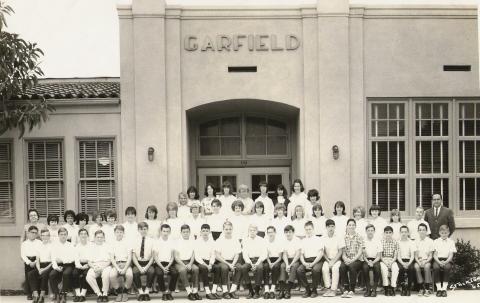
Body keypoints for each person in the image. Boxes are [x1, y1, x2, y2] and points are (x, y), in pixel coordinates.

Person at [214, 221, 242, 299]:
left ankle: (232, 291)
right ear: (223, 230)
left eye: (230, 229)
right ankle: (225, 291)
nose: (228, 231)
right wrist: (229, 264)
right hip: (222, 261)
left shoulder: (235, 240)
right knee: (224, 268)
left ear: (232, 229)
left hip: (232, 261)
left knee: (239, 267)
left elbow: (237, 254)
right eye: (226, 229)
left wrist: (232, 263)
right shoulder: (219, 240)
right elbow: (217, 256)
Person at [297, 221, 324, 298]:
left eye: (310, 229)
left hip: (317, 260)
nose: (308, 231)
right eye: (306, 229)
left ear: (313, 229)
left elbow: (321, 253)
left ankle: (314, 290)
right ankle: (307, 289)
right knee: (299, 270)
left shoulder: (318, 239)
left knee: (315, 270)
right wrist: (304, 263)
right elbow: (301, 254)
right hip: (306, 261)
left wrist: (313, 263)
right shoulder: (303, 241)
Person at [240, 224, 267, 299]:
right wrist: (250, 263)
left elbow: (264, 253)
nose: (252, 232)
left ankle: (257, 291)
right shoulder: (245, 240)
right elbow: (244, 254)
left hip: (259, 259)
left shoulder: (261, 240)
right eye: (250, 230)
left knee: (260, 268)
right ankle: (250, 291)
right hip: (249, 260)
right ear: (248, 231)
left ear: (257, 231)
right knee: (243, 268)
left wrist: (257, 263)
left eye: (254, 230)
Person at [174, 224, 200, 301]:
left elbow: (193, 255)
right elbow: (176, 257)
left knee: (196, 269)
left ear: (190, 232)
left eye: (187, 232)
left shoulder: (193, 241)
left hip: (189, 262)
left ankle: (195, 291)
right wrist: (184, 265)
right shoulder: (177, 242)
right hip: (179, 263)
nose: (186, 233)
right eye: (184, 232)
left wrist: (190, 264)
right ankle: (189, 292)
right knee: (182, 270)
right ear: (181, 232)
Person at [340, 219, 364, 298]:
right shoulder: (343, 237)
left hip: (357, 260)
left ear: (355, 226)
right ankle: (346, 288)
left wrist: (352, 260)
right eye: (349, 225)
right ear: (347, 226)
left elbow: (360, 252)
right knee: (342, 266)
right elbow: (343, 252)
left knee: (352, 266)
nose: (351, 226)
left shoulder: (359, 236)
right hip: (347, 259)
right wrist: (345, 259)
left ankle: (352, 289)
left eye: (353, 225)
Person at [49, 227, 75, 303]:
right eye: (61, 234)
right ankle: (57, 294)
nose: (63, 236)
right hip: (58, 265)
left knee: (66, 274)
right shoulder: (54, 245)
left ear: (67, 235)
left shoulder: (71, 245)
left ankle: (64, 294)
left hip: (69, 265)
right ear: (58, 235)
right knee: (52, 275)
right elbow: (53, 259)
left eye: (65, 234)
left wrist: (63, 260)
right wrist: (56, 267)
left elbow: (72, 258)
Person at [85, 230, 112, 302]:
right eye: (98, 237)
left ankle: (105, 294)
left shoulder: (108, 246)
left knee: (106, 274)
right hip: (95, 266)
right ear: (94, 238)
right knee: (89, 276)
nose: (99, 239)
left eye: (101, 237)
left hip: (106, 265)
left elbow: (110, 260)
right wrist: (94, 267)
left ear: (104, 238)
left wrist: (103, 267)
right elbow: (89, 261)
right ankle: (99, 294)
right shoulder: (91, 247)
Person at [153, 224, 178, 301]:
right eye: (164, 231)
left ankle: (170, 292)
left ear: (169, 232)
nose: (165, 233)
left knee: (175, 273)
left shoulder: (172, 242)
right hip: (159, 263)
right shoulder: (156, 242)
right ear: (161, 231)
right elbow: (155, 257)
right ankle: (164, 293)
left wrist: (168, 266)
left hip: (169, 263)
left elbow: (173, 256)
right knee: (160, 274)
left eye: (167, 231)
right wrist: (162, 267)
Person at [109, 225, 133, 302]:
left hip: (126, 263)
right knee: (112, 275)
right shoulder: (112, 243)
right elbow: (112, 258)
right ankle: (119, 292)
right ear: (114, 233)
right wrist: (118, 268)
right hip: (116, 264)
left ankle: (125, 292)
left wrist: (125, 267)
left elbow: (130, 257)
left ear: (123, 233)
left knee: (129, 275)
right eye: (117, 232)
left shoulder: (127, 242)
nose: (119, 234)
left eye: (121, 232)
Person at [132, 222, 155, 301]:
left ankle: (147, 291)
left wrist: (147, 266)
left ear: (147, 230)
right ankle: (141, 292)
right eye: (141, 229)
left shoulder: (152, 240)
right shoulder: (134, 240)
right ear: (138, 230)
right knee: (135, 272)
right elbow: (134, 256)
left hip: (148, 262)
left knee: (151, 271)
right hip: (138, 262)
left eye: (145, 229)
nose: (143, 231)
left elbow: (153, 256)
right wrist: (139, 266)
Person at [194, 224, 218, 300]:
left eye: (207, 231)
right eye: (203, 231)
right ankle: (208, 292)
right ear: (200, 232)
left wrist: (210, 264)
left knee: (217, 268)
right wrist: (206, 265)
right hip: (200, 262)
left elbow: (213, 254)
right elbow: (197, 256)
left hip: (209, 262)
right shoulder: (197, 241)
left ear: (209, 232)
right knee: (204, 268)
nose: (205, 233)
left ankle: (213, 291)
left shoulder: (212, 241)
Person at [322, 219, 345, 297]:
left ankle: (333, 290)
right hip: (327, 259)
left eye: (332, 226)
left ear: (334, 227)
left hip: (337, 259)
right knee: (324, 269)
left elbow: (340, 251)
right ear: (326, 227)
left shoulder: (339, 237)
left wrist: (333, 261)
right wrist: (328, 261)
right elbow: (323, 252)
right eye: (329, 227)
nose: (331, 228)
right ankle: (328, 288)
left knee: (335, 269)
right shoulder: (323, 237)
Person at [30, 228, 53, 303]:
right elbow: (37, 259)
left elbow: (53, 261)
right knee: (31, 274)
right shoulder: (38, 246)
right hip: (40, 265)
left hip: (49, 265)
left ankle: (42, 295)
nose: (45, 237)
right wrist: (39, 268)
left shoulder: (52, 246)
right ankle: (36, 294)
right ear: (41, 236)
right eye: (43, 235)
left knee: (45, 274)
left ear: (49, 236)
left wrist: (43, 269)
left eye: (47, 235)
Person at [432, 225, 456, 297]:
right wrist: (439, 262)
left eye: (445, 233)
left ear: (448, 233)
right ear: (439, 233)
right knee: (436, 268)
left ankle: (444, 289)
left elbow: (451, 255)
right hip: (438, 259)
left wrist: (445, 262)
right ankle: (439, 289)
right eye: (442, 233)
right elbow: (434, 255)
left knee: (447, 268)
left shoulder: (451, 242)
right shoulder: (436, 241)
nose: (444, 234)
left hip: (447, 260)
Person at [21, 225, 42, 301]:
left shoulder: (39, 242)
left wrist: (36, 262)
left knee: (37, 276)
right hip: (28, 261)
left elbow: (41, 253)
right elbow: (22, 255)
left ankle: (38, 293)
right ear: (28, 233)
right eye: (32, 232)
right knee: (28, 277)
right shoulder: (24, 243)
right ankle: (29, 293)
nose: (34, 234)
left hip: (37, 260)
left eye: (35, 233)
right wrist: (29, 262)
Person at [280, 225, 301, 299]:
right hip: (287, 260)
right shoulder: (284, 241)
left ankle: (288, 291)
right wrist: (287, 264)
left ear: (293, 232)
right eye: (286, 232)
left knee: (294, 267)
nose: (288, 234)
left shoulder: (297, 240)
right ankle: (281, 291)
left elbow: (298, 254)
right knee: (282, 266)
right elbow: (284, 254)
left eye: (289, 232)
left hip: (295, 260)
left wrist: (290, 264)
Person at [263, 226, 283, 299]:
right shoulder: (265, 241)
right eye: (268, 232)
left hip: (277, 259)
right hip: (268, 259)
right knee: (265, 267)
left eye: (272, 232)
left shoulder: (279, 241)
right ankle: (266, 289)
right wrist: (269, 262)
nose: (270, 234)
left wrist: (273, 264)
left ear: (275, 232)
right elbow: (266, 254)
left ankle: (272, 289)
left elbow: (280, 257)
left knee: (276, 267)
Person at [414, 223, 434, 296]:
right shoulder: (415, 241)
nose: (422, 231)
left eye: (423, 230)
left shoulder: (430, 241)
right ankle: (421, 288)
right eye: (420, 230)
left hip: (427, 260)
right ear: (418, 231)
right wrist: (419, 262)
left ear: (426, 231)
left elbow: (431, 255)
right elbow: (415, 255)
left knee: (427, 267)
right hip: (418, 260)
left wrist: (426, 261)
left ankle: (427, 289)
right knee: (416, 267)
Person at [362, 224, 382, 297]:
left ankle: (374, 289)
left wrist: (373, 262)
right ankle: (368, 289)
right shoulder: (363, 241)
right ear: (366, 231)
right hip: (366, 259)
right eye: (368, 230)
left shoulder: (378, 241)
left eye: (372, 230)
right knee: (365, 268)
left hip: (375, 259)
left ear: (374, 231)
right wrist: (368, 262)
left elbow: (379, 256)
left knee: (377, 268)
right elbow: (363, 255)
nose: (370, 232)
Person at [72, 228, 91, 302]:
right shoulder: (77, 246)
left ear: (87, 235)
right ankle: (78, 294)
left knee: (85, 274)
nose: (83, 235)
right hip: (79, 264)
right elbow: (76, 258)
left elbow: (92, 257)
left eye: (85, 234)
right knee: (74, 273)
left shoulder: (91, 245)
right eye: (81, 234)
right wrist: (80, 266)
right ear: (79, 236)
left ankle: (83, 294)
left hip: (89, 264)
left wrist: (88, 265)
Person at [380, 226, 399, 296]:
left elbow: (395, 255)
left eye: (390, 232)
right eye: (386, 232)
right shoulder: (381, 242)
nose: (388, 234)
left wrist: (391, 262)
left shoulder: (395, 242)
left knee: (395, 268)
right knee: (384, 269)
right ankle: (386, 287)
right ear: (384, 233)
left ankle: (392, 286)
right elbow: (380, 256)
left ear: (392, 233)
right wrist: (385, 262)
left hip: (392, 260)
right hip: (383, 260)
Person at [397, 225, 415, 296]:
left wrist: (408, 263)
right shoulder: (397, 242)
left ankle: (408, 288)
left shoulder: (411, 242)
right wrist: (403, 263)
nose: (404, 233)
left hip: (409, 260)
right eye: (402, 232)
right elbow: (398, 256)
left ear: (408, 233)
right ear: (400, 233)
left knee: (411, 268)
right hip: (400, 260)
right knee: (400, 269)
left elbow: (412, 255)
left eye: (405, 232)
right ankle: (403, 288)